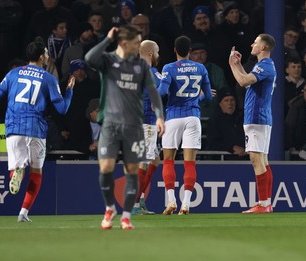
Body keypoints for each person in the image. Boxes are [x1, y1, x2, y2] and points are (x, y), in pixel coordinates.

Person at [85, 25, 165, 230]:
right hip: (111, 125)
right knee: (106, 168)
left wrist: (159, 116)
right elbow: (89, 58)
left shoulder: (141, 66)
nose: (138, 47)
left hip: (134, 126)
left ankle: (127, 216)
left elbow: (153, 92)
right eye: (135, 43)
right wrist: (106, 39)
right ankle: (110, 207)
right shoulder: (109, 61)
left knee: (132, 171)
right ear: (123, 43)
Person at [0, 41, 75, 222]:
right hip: (36, 128)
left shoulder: (13, 74)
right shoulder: (48, 78)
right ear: (42, 56)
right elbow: (62, 109)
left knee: (16, 168)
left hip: (14, 128)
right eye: (46, 53)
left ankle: (17, 172)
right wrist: (69, 91)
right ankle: (23, 213)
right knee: (36, 171)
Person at [159, 35, 213, 215]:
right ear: (190, 51)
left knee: (168, 160)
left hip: (173, 117)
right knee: (189, 163)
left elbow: (160, 92)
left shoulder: (169, 68)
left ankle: (171, 200)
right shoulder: (201, 67)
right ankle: (186, 204)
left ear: (174, 50)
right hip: (193, 117)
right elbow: (209, 97)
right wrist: (198, 96)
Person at [229, 34, 276, 213]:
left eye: (255, 42)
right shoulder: (264, 66)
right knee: (263, 160)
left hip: (257, 118)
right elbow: (247, 79)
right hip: (261, 118)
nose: (252, 44)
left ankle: (263, 204)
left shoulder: (265, 66)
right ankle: (267, 203)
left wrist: (232, 65)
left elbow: (242, 81)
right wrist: (238, 65)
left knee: (256, 159)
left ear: (263, 47)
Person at [131, 40, 163, 216]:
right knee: (143, 162)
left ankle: (140, 198)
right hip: (147, 122)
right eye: (157, 51)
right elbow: (164, 90)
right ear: (151, 53)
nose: (159, 55)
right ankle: (134, 205)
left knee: (155, 159)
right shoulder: (152, 73)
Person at [206, 87, 247, 160]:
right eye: (226, 100)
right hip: (223, 161)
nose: (230, 103)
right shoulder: (214, 121)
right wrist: (232, 147)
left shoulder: (243, 119)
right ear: (220, 103)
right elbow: (212, 144)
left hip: (245, 159)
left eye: (232, 100)